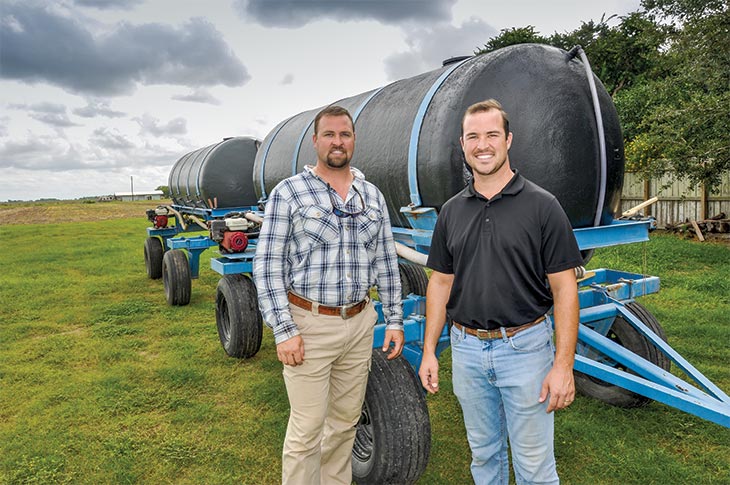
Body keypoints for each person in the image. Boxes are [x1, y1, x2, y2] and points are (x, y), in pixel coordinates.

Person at [418, 99, 582, 485]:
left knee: (534, 466)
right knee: (484, 455)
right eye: (473, 136)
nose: (482, 145)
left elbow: (565, 290)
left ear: (508, 140)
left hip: (525, 351)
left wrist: (563, 366)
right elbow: (441, 282)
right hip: (467, 350)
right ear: (462, 144)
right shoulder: (452, 212)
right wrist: (428, 351)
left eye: (491, 134)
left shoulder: (544, 206)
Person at [253, 105, 404, 485]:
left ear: (354, 141)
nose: (338, 142)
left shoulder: (371, 195)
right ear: (316, 141)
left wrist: (395, 319)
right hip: (309, 324)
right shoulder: (289, 192)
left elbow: (385, 261)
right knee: (306, 430)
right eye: (330, 135)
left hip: (358, 323)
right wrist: (283, 329)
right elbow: (268, 265)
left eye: (346, 134)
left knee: (344, 423)